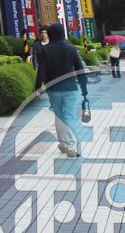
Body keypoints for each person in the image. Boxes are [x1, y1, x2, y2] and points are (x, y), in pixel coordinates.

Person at [34, 22, 90, 157]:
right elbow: (80, 70)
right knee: (69, 116)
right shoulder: (71, 49)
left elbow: (41, 70)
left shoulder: (45, 50)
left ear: (50, 34)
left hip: (53, 89)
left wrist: (38, 88)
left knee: (59, 116)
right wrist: (84, 88)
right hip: (70, 88)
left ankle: (64, 143)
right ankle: (71, 145)